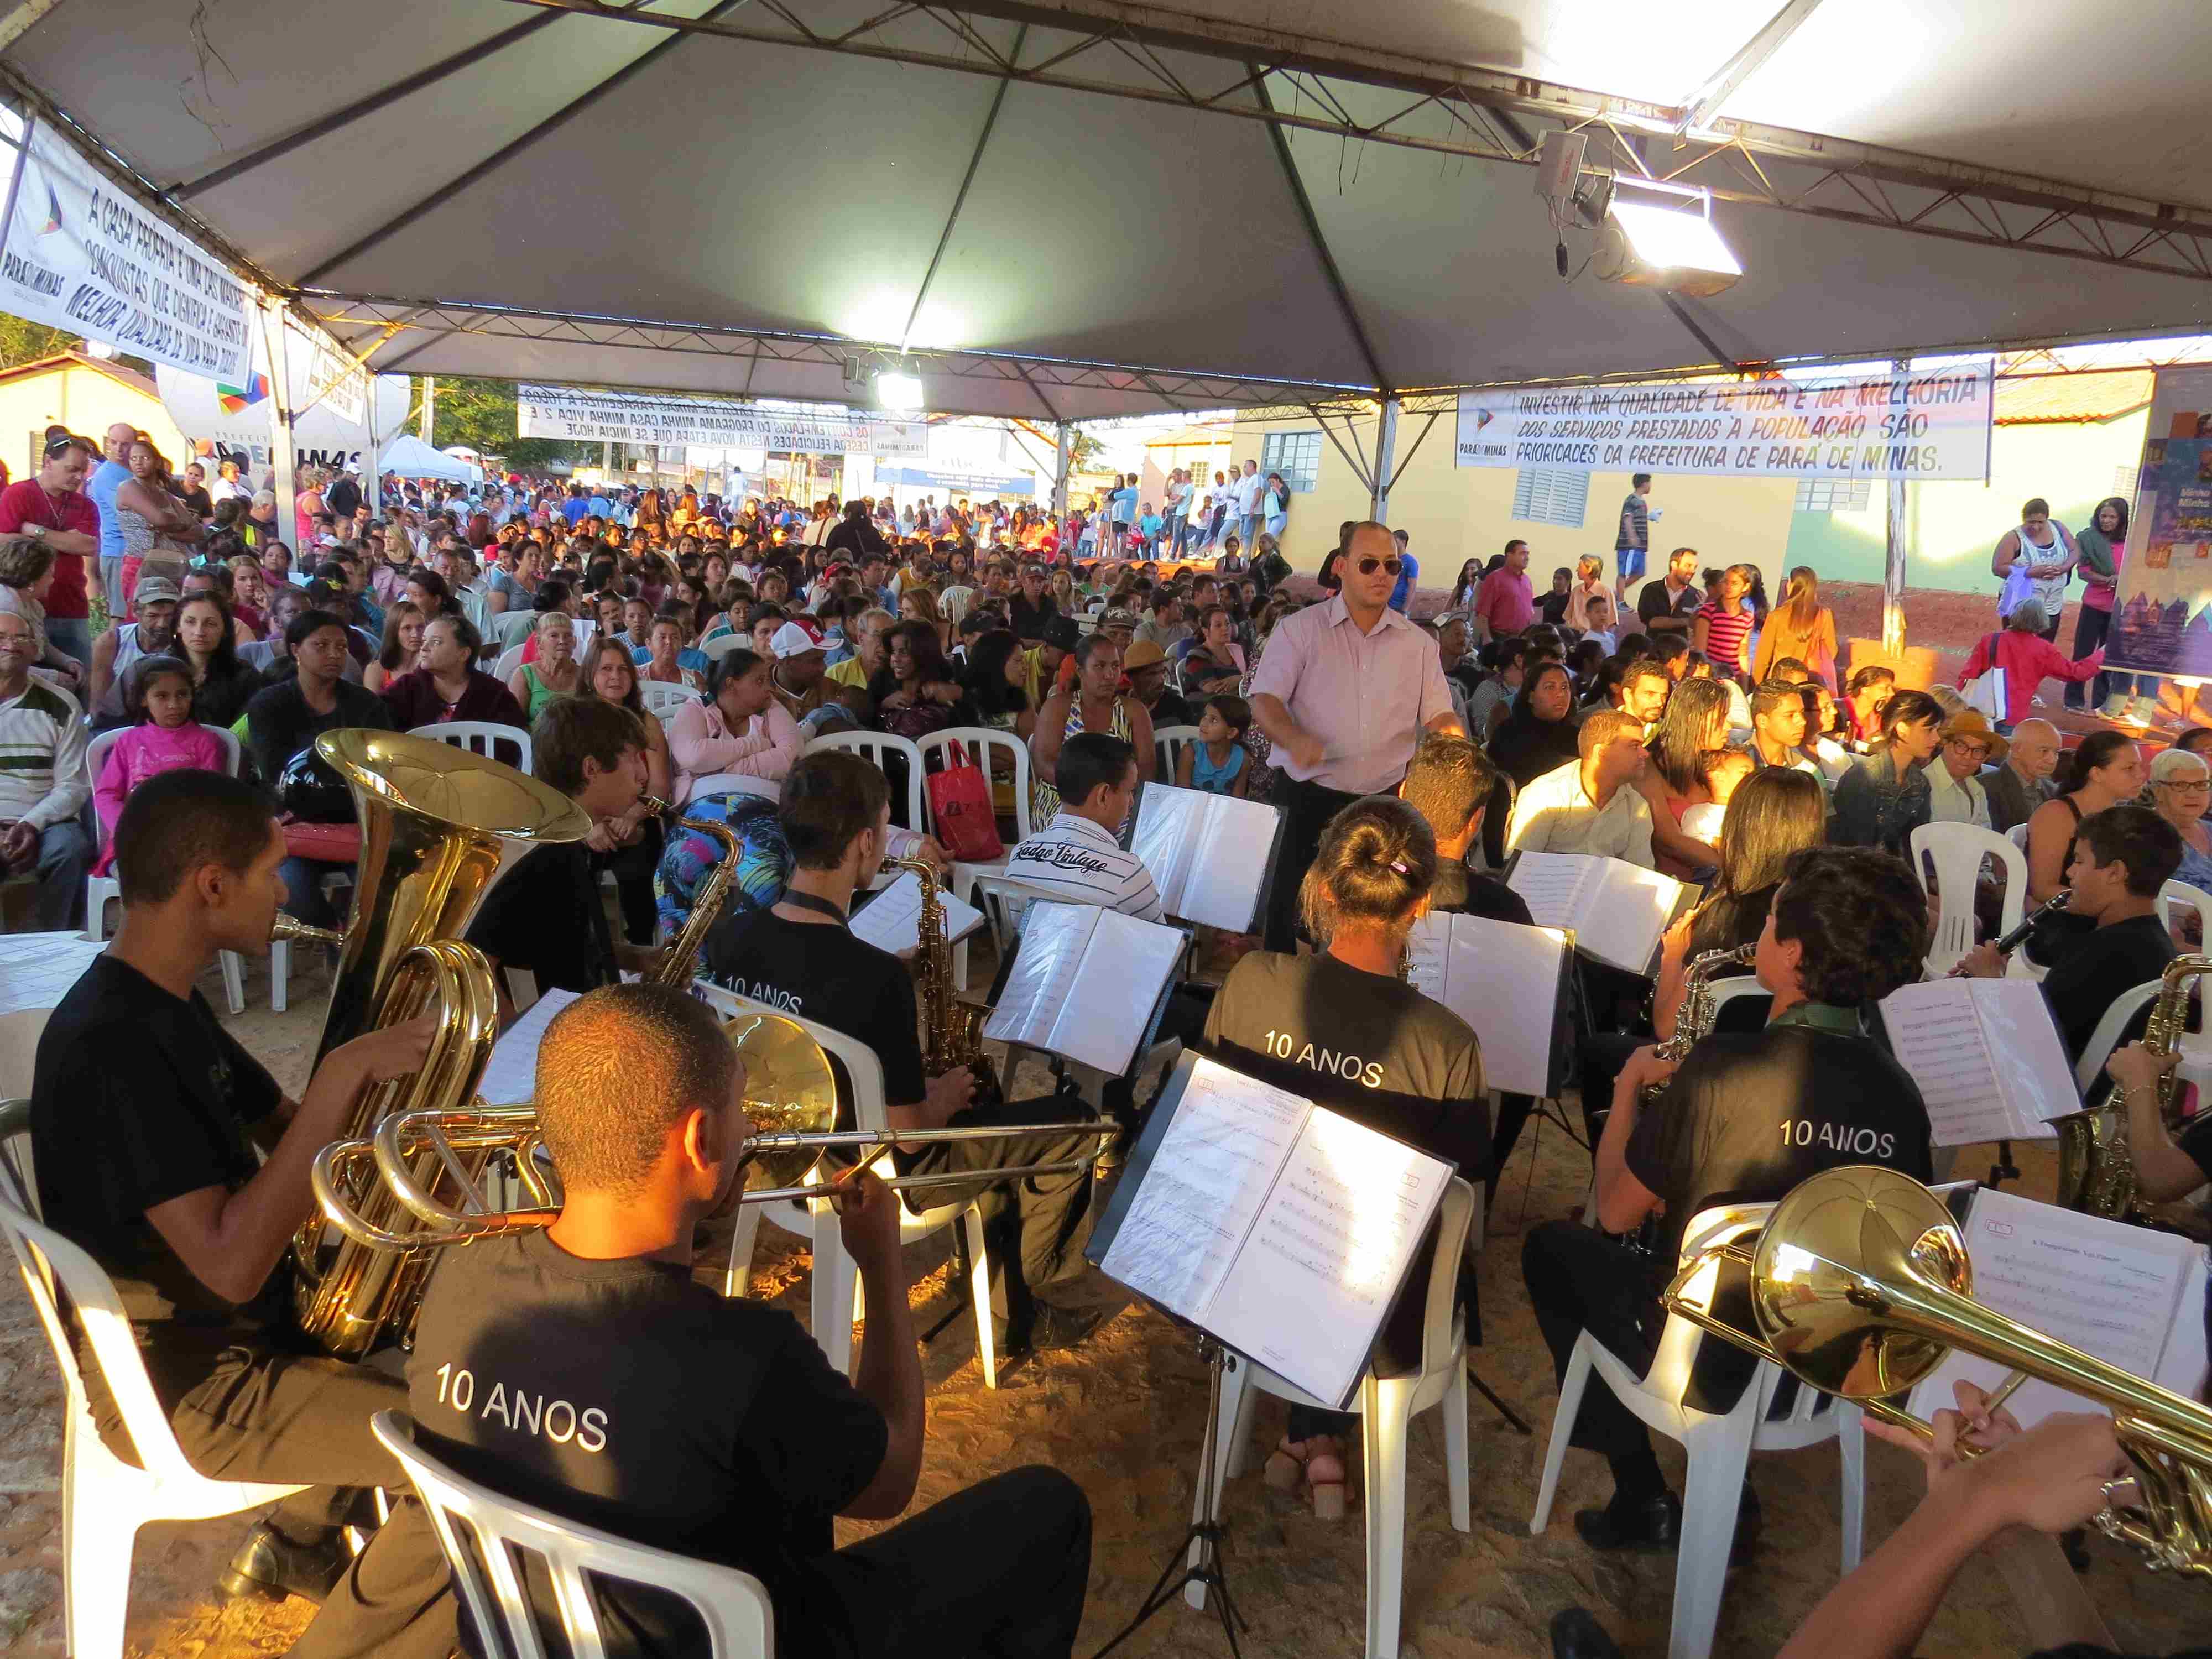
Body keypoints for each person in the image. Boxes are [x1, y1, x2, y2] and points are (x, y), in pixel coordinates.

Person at [409, 978, 1094, 1657]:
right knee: (1047, 1508)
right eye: (742, 1106)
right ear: (701, 1137)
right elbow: (891, 1480)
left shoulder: (459, 1277)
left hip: (539, 1636)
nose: (754, 1124)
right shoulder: (744, 1355)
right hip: (749, 1641)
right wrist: (883, 1269)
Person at [29, 769, 455, 1652]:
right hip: (188, 1385)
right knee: (467, 1462)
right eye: (271, 873)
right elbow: (230, 1264)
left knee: (463, 1359)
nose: (285, 893)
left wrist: (418, 1124)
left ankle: (297, 1543)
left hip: (243, 1337)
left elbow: (291, 1134)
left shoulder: (168, 1006)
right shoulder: (112, 1046)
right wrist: (341, 1076)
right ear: (212, 886)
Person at [1524, 846, 1934, 1556]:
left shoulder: (1722, 1069)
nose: (1762, 931)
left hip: (1703, 1355)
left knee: (1552, 1250)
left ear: (1794, 954)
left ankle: (1640, 1495)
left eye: (1771, 921)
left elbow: (1615, 1211)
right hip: (1816, 1365)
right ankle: (1730, 1486)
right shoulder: (1902, 1096)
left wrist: (1627, 1089)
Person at [703, 750, 1105, 1357]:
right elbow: (912, 1135)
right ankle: (1030, 1302)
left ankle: (995, 1286)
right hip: (875, 1171)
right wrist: (943, 1095)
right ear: (866, 842)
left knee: (982, 1093)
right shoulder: (873, 979)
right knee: (1077, 1126)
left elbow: (807, 986)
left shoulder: (734, 935)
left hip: (779, 1157)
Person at [1202, 795, 1489, 1516]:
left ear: (1324, 888)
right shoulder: (1449, 1042)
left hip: (1244, 1279)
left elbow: (1209, 1129)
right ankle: (1319, 1438)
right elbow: (1462, 1197)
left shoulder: (1251, 981)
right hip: (1379, 1322)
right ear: (1419, 905)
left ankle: (1309, 1436)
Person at [1248, 521, 1460, 951]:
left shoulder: (1419, 645)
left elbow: (1440, 714)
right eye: (1369, 564)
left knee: (1369, 924)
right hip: (1306, 797)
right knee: (1288, 915)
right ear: (1342, 566)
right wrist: (1293, 738)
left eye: (1392, 566)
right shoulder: (1299, 630)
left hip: (1382, 804)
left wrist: (1455, 747)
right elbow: (1264, 699)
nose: (1382, 574)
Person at [466, 696, 660, 1002]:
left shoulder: (573, 841)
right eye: (634, 759)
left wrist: (638, 957)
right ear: (591, 768)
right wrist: (520, 1029)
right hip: (561, 1022)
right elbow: (474, 966)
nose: (643, 775)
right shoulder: (546, 855)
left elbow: (569, 945)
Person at [1958, 804, 2180, 1063]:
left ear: (2115, 873)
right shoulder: (2152, 942)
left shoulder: (2101, 955)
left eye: (2079, 861)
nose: (2069, 872)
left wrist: (1989, 981)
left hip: (2051, 1080)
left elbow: (2028, 1046)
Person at [242, 608, 394, 924]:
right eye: (321, 646)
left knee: (384, 889)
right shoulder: (269, 705)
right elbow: (277, 775)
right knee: (292, 890)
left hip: (358, 824)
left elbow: (381, 770)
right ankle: (334, 939)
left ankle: (356, 941)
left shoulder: (367, 705)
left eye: (341, 647)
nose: (334, 654)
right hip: (295, 826)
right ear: (295, 650)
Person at [575, 637, 676, 947]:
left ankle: (640, 952)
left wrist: (632, 817)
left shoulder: (646, 722)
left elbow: (660, 788)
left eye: (623, 670)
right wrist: (591, 825)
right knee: (569, 872)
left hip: (638, 817)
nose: (616, 677)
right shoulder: (572, 722)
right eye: (606, 669)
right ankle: (586, 954)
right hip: (584, 821)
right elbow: (563, 786)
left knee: (637, 873)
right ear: (590, 675)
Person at [91, 654, 229, 874]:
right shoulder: (129, 741)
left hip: (188, 843)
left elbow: (211, 799)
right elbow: (106, 794)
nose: (174, 705)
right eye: (162, 696)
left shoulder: (207, 742)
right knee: (135, 874)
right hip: (134, 840)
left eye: (182, 694)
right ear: (144, 700)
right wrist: (126, 827)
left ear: (192, 695)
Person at [1005, 734, 1164, 919]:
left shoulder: (1019, 856)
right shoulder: (1127, 875)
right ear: (1103, 795)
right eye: (1129, 791)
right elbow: (1163, 937)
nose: (1131, 802)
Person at [0, 607, 89, 926]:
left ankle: (57, 943)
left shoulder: (61, 705)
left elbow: (73, 785)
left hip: (43, 820)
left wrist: (30, 825)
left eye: (20, 638)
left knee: (70, 849)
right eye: (1, 637)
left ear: (35, 650)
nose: (11, 645)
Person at [0, 432, 102, 665]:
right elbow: (4, 542)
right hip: (21, 604)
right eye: (72, 469)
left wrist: (33, 530)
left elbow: (87, 545)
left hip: (71, 604)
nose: (79, 477)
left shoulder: (85, 505)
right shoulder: (18, 494)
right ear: (48, 462)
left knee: (78, 672)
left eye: (83, 471)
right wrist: (65, 540)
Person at [1032, 632, 1155, 823]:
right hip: (1065, 799)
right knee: (1074, 830)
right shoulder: (1058, 707)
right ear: (1080, 670)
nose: (1110, 675)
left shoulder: (1134, 711)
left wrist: (1114, 797)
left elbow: (1146, 768)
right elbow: (1044, 763)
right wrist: (1089, 796)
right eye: (1099, 666)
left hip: (1120, 800)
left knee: (1131, 831)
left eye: (1115, 666)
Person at [1505, 708, 1656, 864]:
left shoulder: (1637, 806)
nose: (1645, 754)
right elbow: (1518, 867)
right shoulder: (1545, 794)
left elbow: (1639, 871)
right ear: (1601, 752)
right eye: (1635, 746)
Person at [2023, 727, 2143, 907]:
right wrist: (2107, 907)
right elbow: (2042, 889)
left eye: (2140, 766)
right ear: (2096, 774)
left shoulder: (2123, 817)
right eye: (2129, 768)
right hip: (2059, 915)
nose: (2141, 775)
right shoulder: (2056, 814)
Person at [666, 646, 802, 802]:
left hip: (764, 801)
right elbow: (693, 758)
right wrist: (758, 744)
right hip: (705, 803)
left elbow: (792, 758)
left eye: (767, 681)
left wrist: (723, 768)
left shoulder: (771, 707)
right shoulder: (697, 708)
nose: (768, 688)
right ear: (731, 684)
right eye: (760, 681)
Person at [2068, 495, 2159, 721]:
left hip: (2121, 609)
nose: (2106, 521)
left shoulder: (2133, 542)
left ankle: (2101, 703)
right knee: (2083, 652)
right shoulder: (2088, 539)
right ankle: (2073, 700)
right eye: (2103, 516)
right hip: (2094, 605)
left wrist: (2125, 581)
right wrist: (2109, 580)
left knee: (2109, 657)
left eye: (2112, 517)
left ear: (2122, 519)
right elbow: (2083, 572)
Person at [1955, 600, 2102, 732]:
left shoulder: (1991, 640)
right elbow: (2077, 673)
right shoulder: (2044, 650)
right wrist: (2103, 653)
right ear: (2042, 620)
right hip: (2012, 717)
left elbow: (1968, 676)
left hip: (1980, 712)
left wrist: (1959, 704)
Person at [1830, 688, 1943, 855]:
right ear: (1902, 729)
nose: (1937, 738)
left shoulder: (1919, 783)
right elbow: (1857, 847)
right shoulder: (1864, 777)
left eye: (1937, 730)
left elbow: (1916, 845)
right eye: (1929, 730)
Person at [378, 611, 528, 731]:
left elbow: (512, 742)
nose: (424, 648)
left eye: (436, 642)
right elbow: (377, 719)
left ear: (463, 654)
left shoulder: (494, 694)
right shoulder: (407, 688)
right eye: (424, 641)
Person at [1991, 495, 2077, 642]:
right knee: (2017, 643)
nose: (2036, 527)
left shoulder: (2058, 528)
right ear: (2024, 519)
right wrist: (2030, 572)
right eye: (2031, 522)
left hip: (2052, 601)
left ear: (2047, 519)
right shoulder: (2013, 538)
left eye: (2041, 522)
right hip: (2020, 602)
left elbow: (2075, 550)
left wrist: (2064, 568)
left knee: (2045, 644)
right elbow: (1998, 568)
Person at [175, 590, 264, 732]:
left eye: (210, 624)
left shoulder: (244, 676)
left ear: (225, 629)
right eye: (190, 622)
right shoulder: (158, 671)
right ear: (178, 626)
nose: (199, 632)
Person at [1752, 566, 1837, 686]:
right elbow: (1831, 652)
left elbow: (1763, 659)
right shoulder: (1824, 615)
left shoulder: (1776, 616)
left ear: (1791, 585)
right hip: (1809, 681)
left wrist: (1758, 684)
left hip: (1780, 681)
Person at [2146, 744, 2212, 893]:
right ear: (2157, 791)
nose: (2193, 794)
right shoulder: (2143, 835)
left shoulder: (2210, 829)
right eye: (2180, 785)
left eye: (2201, 784)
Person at [86, 422, 136, 611]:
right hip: (117, 552)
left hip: (132, 551)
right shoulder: (106, 475)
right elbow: (129, 511)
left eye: (125, 444)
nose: (119, 449)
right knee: (120, 613)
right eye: (114, 443)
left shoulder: (131, 471)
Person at [1982, 714, 2060, 833]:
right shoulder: (1984, 789)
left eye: (2056, 752)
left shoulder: (2055, 791)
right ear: (2017, 750)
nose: (2052, 760)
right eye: (2044, 751)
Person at [1926, 710, 2000, 827]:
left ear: (1985, 758)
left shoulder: (1978, 790)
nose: (1968, 756)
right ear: (1945, 743)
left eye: (1978, 751)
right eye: (1961, 746)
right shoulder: (1924, 785)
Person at [509, 607, 581, 720]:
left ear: (574, 642)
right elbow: (515, 722)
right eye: (554, 636)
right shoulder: (525, 675)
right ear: (539, 643)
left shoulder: (583, 676)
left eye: (568, 635)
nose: (562, 641)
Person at [1691, 562, 1756, 682]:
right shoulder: (1709, 610)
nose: (1728, 587)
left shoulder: (1747, 617)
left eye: (1734, 583)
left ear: (1745, 587)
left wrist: (1744, 685)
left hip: (1732, 678)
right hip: (1712, 677)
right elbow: (1701, 650)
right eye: (1726, 582)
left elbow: (1743, 653)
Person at [1175, 694, 1252, 796]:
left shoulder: (1244, 760)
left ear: (1231, 733)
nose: (1203, 723)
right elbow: (1181, 795)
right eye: (1204, 716)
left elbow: (1237, 800)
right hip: (1191, 805)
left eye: (1214, 720)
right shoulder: (1190, 752)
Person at [1747, 678, 1820, 777]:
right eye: (1790, 715)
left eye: (1802, 713)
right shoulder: (1739, 768)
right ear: (1762, 721)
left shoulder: (1807, 771)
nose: (1802, 722)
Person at [1635, 546, 1702, 641]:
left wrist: (1705, 607)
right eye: (1688, 565)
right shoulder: (1651, 590)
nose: (1693, 571)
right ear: (1674, 565)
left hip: (1681, 650)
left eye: (1695, 567)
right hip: (1654, 648)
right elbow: (1653, 623)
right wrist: (1687, 621)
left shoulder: (1697, 596)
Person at [1473, 538, 1534, 642]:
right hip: (1499, 638)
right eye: (1522, 554)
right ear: (1509, 556)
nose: (1527, 558)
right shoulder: (1495, 578)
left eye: (1528, 554)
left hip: (1521, 639)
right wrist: (1487, 640)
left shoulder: (1527, 580)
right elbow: (1482, 613)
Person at [1121, 637, 1190, 729]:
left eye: (1163, 672)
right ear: (1131, 677)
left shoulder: (1180, 707)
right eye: (1151, 674)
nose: (1161, 679)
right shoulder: (1116, 706)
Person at [362, 598, 424, 695]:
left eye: (420, 627)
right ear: (394, 632)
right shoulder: (376, 670)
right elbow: (373, 704)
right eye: (407, 628)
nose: (415, 634)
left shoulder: (431, 666)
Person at [1614, 472, 1655, 598]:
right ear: (1644, 483)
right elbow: (1627, 518)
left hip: (1640, 545)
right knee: (1624, 572)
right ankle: (1620, 600)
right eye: (1649, 483)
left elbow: (1636, 517)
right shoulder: (1631, 500)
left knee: (1640, 572)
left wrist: (1649, 517)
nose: (1651, 486)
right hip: (1629, 545)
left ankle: (1616, 593)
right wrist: (1632, 537)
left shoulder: (1641, 501)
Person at [1842, 662, 1896, 745]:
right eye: (1885, 689)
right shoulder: (1839, 710)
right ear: (1864, 690)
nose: (1892, 693)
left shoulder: (1880, 717)